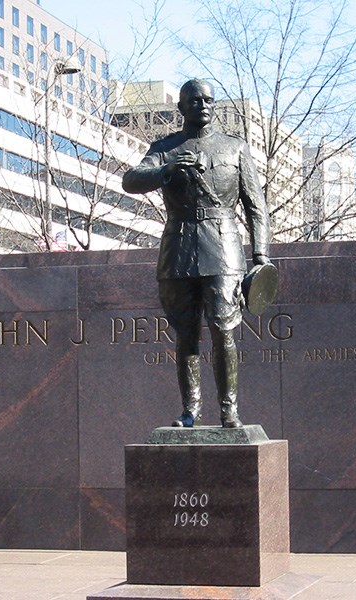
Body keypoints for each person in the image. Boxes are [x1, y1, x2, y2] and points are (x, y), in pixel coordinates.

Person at [122, 79, 271, 428]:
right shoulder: (166, 147)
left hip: (224, 245)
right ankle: (190, 410)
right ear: (181, 108)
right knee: (186, 332)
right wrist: (166, 170)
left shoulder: (235, 148)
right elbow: (131, 180)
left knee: (223, 328)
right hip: (179, 245)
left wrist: (261, 256)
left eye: (208, 100)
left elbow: (256, 207)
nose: (202, 105)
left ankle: (229, 409)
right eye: (194, 100)